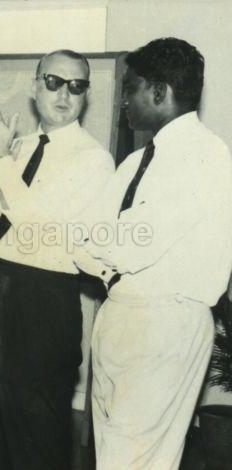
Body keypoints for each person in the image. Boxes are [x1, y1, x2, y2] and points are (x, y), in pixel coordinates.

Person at [76, 38, 232, 470]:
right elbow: (82, 243)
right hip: (120, 312)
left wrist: (105, 241)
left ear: (160, 92)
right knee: (111, 453)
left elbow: (128, 246)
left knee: (138, 457)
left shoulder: (205, 155)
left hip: (165, 322)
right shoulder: (136, 161)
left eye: (131, 88)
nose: (123, 99)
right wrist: (105, 243)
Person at [0, 50, 115, 469]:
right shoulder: (16, 148)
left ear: (86, 94)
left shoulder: (92, 159)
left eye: (77, 86)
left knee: (38, 435)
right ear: (34, 86)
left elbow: (36, 228)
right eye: (54, 82)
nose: (65, 94)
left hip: (44, 299)